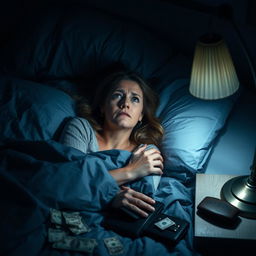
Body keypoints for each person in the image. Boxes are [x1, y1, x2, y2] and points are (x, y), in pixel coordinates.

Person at [59, 71, 164, 218]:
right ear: (102, 106)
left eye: (135, 99)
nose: (125, 104)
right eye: (117, 95)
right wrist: (130, 171)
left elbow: (140, 203)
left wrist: (98, 186)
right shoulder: (81, 128)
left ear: (141, 115)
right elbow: (66, 183)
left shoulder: (147, 153)